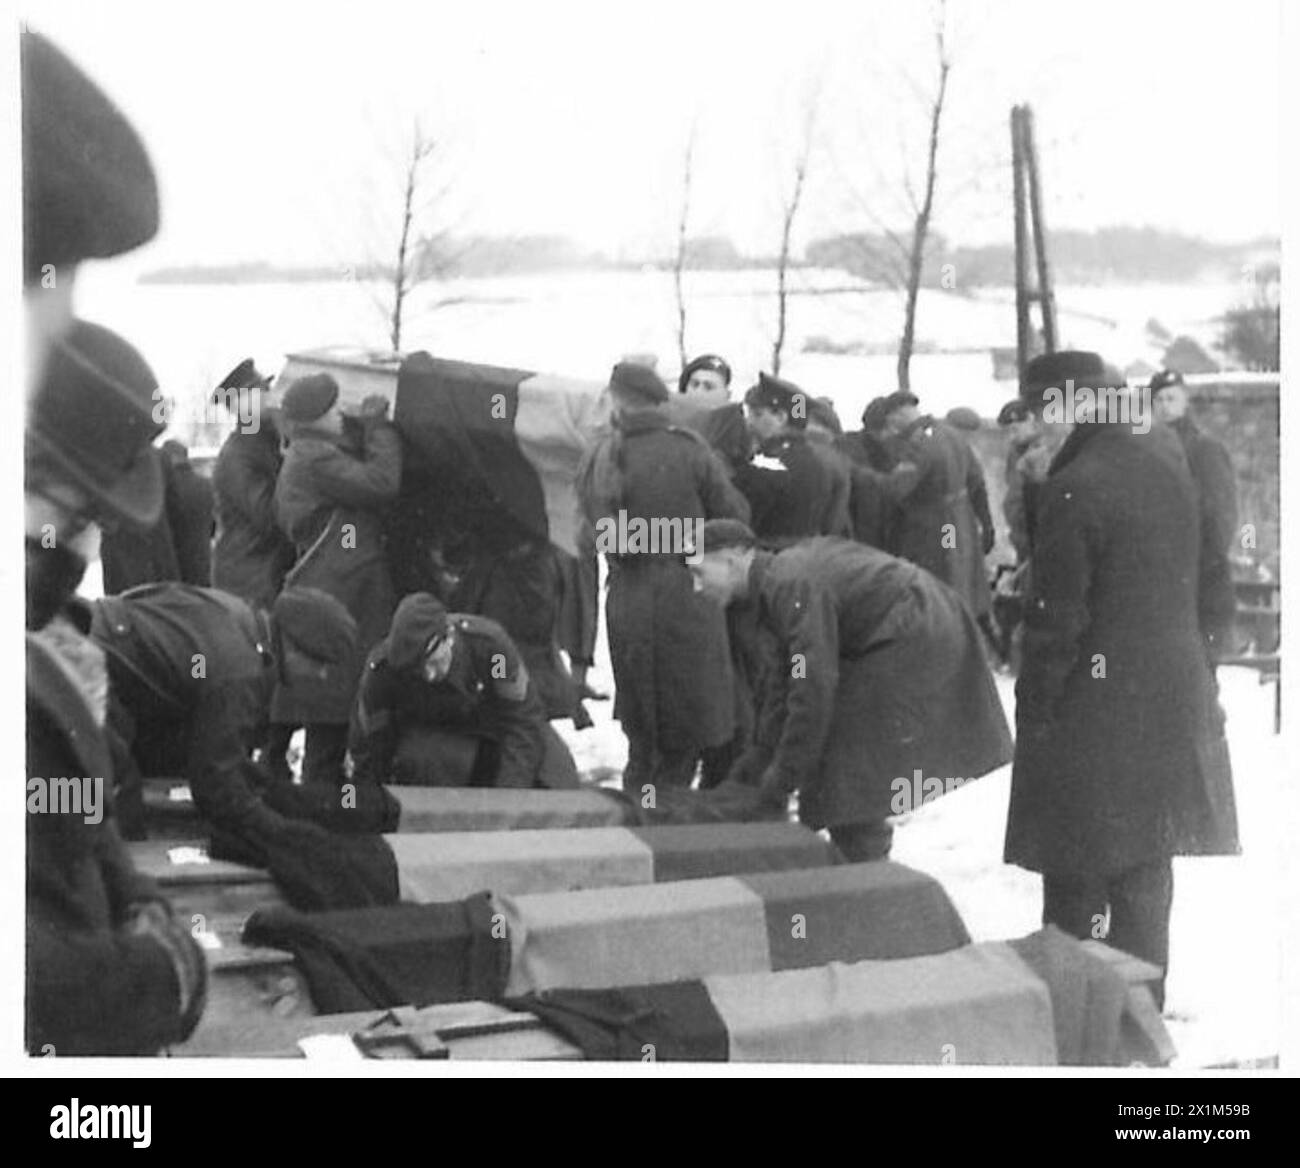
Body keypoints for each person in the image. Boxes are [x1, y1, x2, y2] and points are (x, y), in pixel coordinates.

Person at [1003, 353, 1240, 1009]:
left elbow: (1058, 619)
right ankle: (1141, 1020)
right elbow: (1213, 563)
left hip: (1091, 708)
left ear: (1069, 403)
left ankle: (1084, 1027)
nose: (1034, 428)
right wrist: (1207, 661)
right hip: (1169, 696)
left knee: (1077, 869)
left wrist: (1036, 705)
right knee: (1144, 864)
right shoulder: (1165, 453)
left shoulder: (1077, 481)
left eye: (1040, 410)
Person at [26, 319, 207, 1055]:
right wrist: (160, 974)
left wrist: (136, 897)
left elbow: (81, 820)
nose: (86, 550)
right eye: (72, 514)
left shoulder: (51, 659)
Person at [692, 520, 1012, 861]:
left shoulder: (790, 584)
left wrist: (779, 782)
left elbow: (812, 690)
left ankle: (864, 868)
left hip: (913, 632)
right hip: (905, 626)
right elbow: (786, 680)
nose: (697, 587)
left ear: (730, 559)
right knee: (842, 770)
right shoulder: (778, 584)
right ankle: (858, 859)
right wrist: (758, 760)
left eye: (699, 572)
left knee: (849, 765)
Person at [578, 362, 750, 791]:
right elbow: (736, 516)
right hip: (688, 595)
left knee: (643, 727)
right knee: (684, 725)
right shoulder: (690, 449)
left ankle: (643, 812)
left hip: (628, 599)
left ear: (616, 400)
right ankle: (666, 825)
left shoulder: (599, 455)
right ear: (661, 403)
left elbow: (595, 534)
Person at [92, 583, 360, 832]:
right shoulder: (240, 669)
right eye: (319, 664)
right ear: (293, 647)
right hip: (91, 667)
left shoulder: (239, 619)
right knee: (110, 814)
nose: (321, 676)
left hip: (96, 647)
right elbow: (216, 784)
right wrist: (282, 834)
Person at [275, 372, 403, 779]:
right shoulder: (315, 457)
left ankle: (326, 805)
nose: (341, 414)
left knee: (329, 720)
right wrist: (379, 428)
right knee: (331, 724)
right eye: (335, 408)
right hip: (341, 596)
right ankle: (325, 810)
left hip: (337, 590)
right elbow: (381, 482)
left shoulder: (309, 452)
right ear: (318, 418)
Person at [350, 592, 579, 789]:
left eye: (433, 661)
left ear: (448, 637)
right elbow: (369, 747)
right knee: (418, 758)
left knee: (561, 783)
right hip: (442, 748)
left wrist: (508, 798)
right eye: (418, 670)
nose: (429, 674)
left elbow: (521, 721)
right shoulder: (383, 672)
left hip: (501, 734)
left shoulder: (491, 650)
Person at [876, 390, 994, 620]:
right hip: (963, 522)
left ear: (898, 416)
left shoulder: (917, 443)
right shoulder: (952, 434)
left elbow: (898, 488)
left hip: (938, 527)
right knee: (963, 582)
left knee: (943, 582)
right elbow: (977, 482)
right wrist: (987, 524)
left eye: (891, 422)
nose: (892, 429)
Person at [1150, 369, 1239, 657]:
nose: (1165, 405)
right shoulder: (1147, 451)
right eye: (1159, 399)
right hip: (1162, 583)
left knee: (1201, 678)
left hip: (1201, 582)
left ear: (1185, 400)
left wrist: (1199, 565)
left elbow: (1220, 519)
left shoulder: (1205, 450)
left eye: (1171, 398)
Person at [211, 359, 295, 610]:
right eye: (261, 392)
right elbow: (269, 516)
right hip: (250, 582)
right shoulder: (237, 455)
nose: (270, 398)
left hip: (265, 573)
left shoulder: (266, 442)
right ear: (240, 404)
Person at [734, 372, 838, 545]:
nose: (749, 422)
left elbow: (741, 517)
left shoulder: (766, 463)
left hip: (767, 558)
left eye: (757, 414)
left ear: (780, 418)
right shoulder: (817, 460)